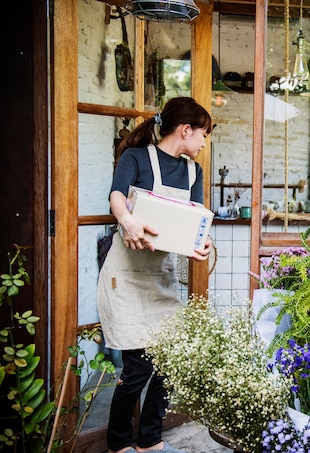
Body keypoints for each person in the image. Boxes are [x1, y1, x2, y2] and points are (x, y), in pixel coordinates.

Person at [97, 97, 213, 453]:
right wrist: (127, 220)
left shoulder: (194, 172)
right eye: (204, 135)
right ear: (186, 130)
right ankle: (118, 442)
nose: (204, 143)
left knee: (168, 364)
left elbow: (195, 222)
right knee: (136, 370)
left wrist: (203, 243)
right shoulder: (136, 158)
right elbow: (117, 195)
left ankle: (149, 438)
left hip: (160, 277)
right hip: (127, 277)